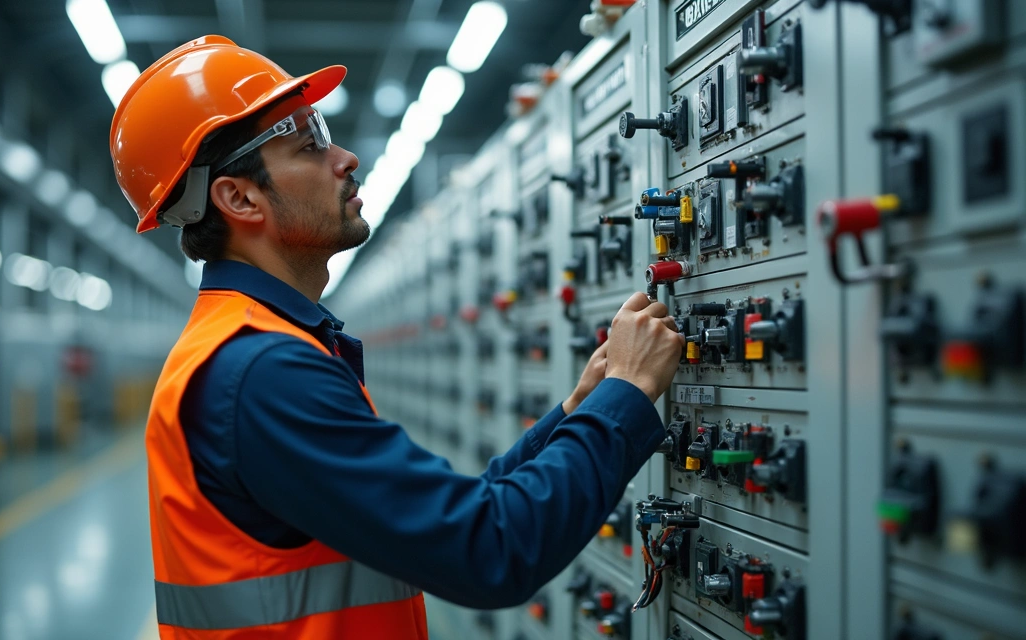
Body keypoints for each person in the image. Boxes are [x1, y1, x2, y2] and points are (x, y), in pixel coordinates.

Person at [110, 35, 685, 640]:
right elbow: (489, 551)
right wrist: (626, 392)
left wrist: (579, 410)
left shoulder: (253, 348)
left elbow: (451, 515)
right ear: (239, 198)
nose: (346, 158)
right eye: (310, 145)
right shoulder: (260, 370)